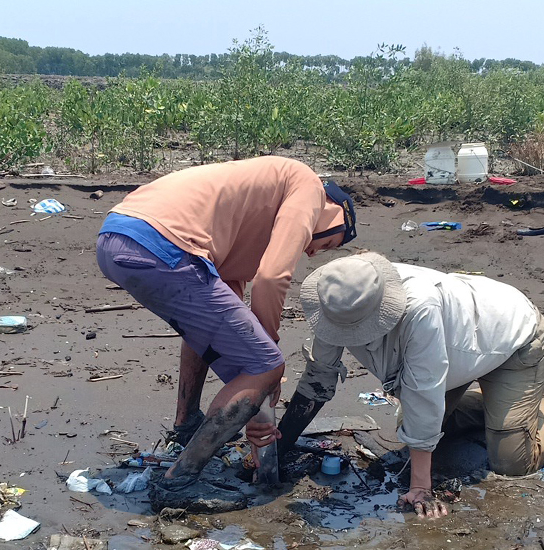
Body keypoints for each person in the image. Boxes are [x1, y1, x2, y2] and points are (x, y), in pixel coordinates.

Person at [94, 156, 357, 507]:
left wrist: (252, 394)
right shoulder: (308, 185)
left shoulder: (254, 213)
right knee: (265, 364)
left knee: (214, 333)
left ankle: (187, 424)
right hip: (163, 243)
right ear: (337, 211)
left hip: (118, 236)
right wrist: (266, 368)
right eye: (326, 244)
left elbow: (222, 309)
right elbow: (271, 278)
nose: (311, 250)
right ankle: (178, 484)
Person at [250, 252, 544, 519]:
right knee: (412, 429)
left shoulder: (419, 309)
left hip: (512, 343)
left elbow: (424, 393)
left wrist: (420, 487)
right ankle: (496, 406)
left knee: (511, 462)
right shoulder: (339, 299)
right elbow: (318, 379)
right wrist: (279, 448)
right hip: (453, 363)